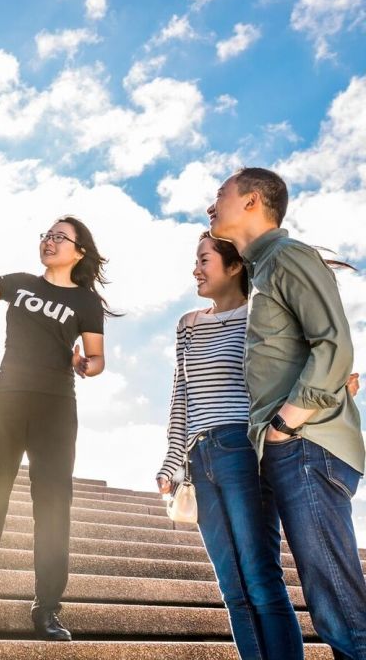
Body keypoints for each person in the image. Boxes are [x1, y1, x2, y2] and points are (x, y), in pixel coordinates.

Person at [0, 194, 111, 641]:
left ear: (79, 251)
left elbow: (96, 360)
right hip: (7, 403)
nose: (50, 241)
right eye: (47, 235)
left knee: (53, 509)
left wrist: (83, 364)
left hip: (55, 408)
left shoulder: (87, 303)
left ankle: (47, 609)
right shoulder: (19, 284)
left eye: (60, 237)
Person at [207, 167, 366, 659]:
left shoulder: (287, 257)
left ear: (252, 200)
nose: (212, 206)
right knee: (329, 601)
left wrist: (283, 425)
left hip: (306, 446)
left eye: (220, 195)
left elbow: (335, 346)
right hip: (292, 449)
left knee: (339, 605)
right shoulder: (263, 269)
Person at [157, 232, 303, 660]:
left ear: (235, 265)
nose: (196, 269)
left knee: (260, 579)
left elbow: (288, 369)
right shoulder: (188, 324)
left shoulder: (261, 315)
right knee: (233, 588)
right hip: (198, 458)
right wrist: (172, 461)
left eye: (204, 259)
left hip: (245, 449)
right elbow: (181, 394)